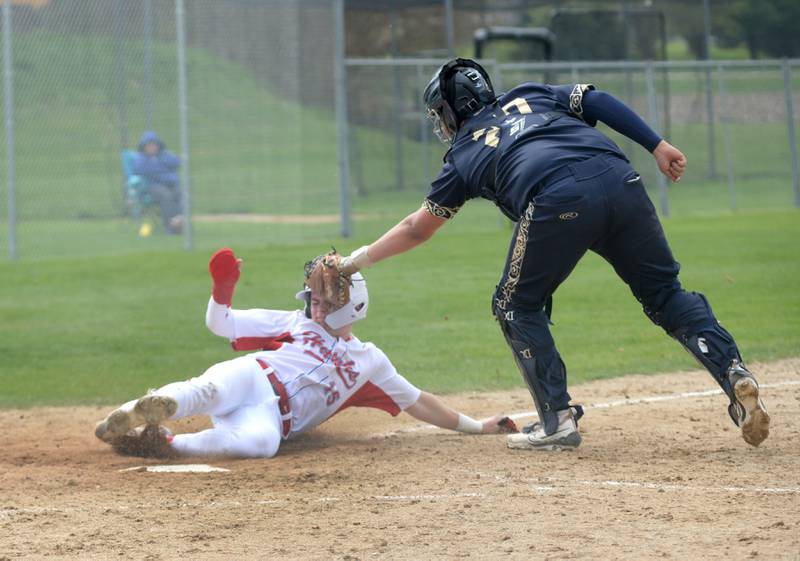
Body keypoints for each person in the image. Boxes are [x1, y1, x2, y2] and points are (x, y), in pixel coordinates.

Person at [333, 58, 770, 451]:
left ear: (451, 112)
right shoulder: (529, 94)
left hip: (558, 198)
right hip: (620, 178)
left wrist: (352, 262)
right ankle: (732, 371)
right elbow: (595, 100)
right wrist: (656, 144)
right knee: (663, 293)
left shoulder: (463, 153)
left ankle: (556, 421)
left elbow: (417, 228)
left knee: (514, 304)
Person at [94, 248, 516, 459]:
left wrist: (478, 427)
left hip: (275, 418)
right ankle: (137, 410)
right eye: (313, 297)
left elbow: (420, 402)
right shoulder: (294, 323)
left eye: (324, 301)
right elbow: (222, 325)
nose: (314, 306)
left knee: (261, 445)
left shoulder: (369, 360)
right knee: (207, 390)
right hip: (253, 375)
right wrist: (222, 292)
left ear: (350, 308)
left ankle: (163, 443)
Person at [132, 131, 183, 235]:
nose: (152, 147)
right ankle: (169, 226)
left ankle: (179, 222)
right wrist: (165, 170)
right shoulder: (140, 159)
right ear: (144, 146)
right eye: (149, 145)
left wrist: (162, 160)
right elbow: (151, 172)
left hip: (169, 184)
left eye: (155, 144)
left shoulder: (162, 155)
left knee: (179, 193)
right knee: (166, 195)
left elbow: (176, 162)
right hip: (151, 187)